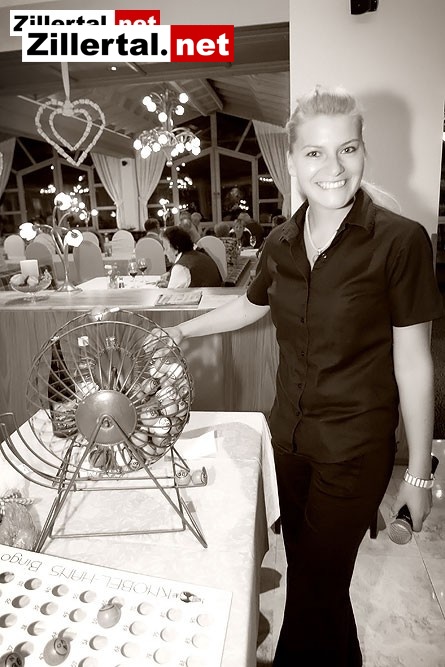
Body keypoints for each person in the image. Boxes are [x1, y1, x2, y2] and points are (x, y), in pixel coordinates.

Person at [160, 86, 444, 665]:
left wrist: (418, 473)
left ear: (363, 151)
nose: (333, 167)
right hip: (287, 441)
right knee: (317, 587)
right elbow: (251, 306)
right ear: (291, 160)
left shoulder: (400, 241)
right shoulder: (282, 242)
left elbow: (414, 361)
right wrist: (182, 333)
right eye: (314, 152)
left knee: (315, 590)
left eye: (347, 149)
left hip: (354, 449)